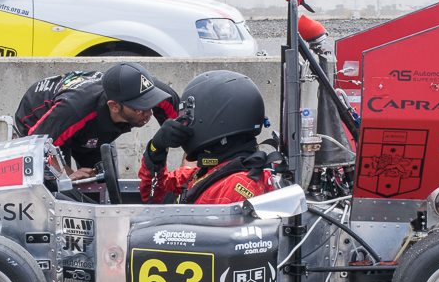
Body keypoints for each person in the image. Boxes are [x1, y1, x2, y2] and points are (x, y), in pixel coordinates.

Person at [14, 62, 178, 180]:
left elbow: (189, 132)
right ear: (114, 106)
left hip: (90, 125)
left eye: (151, 103)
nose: (149, 112)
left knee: (101, 181)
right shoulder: (74, 110)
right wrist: (67, 173)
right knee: (61, 186)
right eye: (139, 107)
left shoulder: (155, 91)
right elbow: (34, 149)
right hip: (41, 120)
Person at [139, 70, 277, 204]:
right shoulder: (209, 171)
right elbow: (154, 196)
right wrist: (156, 149)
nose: (184, 123)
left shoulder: (237, 186)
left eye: (189, 117)